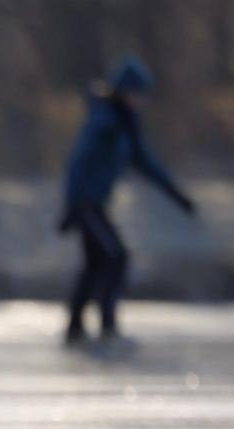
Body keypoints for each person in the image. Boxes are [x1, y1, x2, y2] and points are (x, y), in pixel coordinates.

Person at [59, 56, 196, 345]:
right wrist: (72, 203)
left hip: (96, 203)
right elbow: (77, 163)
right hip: (87, 203)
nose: (140, 100)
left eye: (142, 94)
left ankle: (76, 327)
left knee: (97, 262)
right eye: (136, 93)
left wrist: (176, 195)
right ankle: (105, 324)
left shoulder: (126, 126)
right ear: (123, 92)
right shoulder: (104, 121)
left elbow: (148, 165)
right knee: (115, 256)